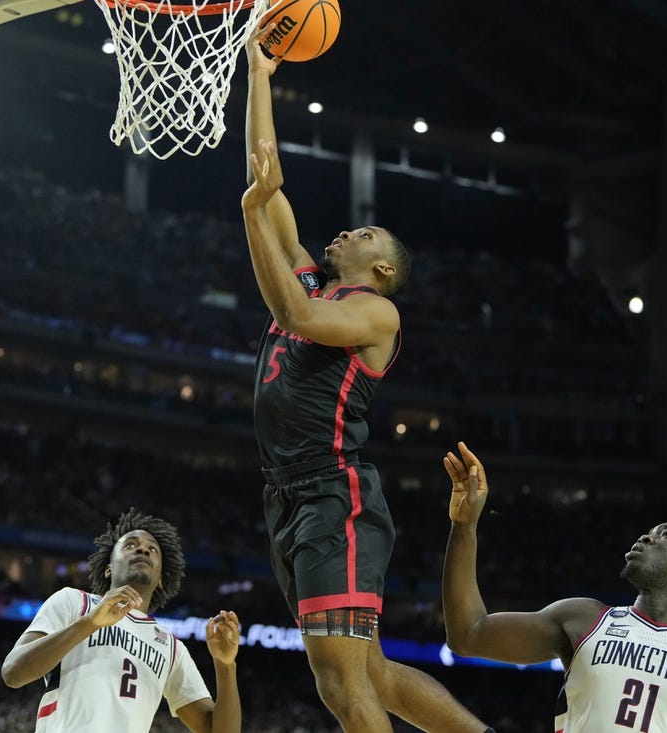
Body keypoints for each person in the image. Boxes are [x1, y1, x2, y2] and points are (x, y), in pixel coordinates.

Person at [240, 27, 493, 733]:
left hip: (331, 491)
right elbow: (266, 176)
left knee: (341, 680)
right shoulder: (316, 280)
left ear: (382, 268)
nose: (348, 233)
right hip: (286, 494)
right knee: (369, 674)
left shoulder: (374, 313)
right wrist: (260, 76)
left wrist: (250, 212)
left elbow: (288, 307)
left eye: (366, 234)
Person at [441, 442, 667, 733]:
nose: (646, 539)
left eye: (664, 535)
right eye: (647, 533)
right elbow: (468, 635)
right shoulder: (582, 618)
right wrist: (464, 527)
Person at [0, 507, 242, 733]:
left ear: (160, 579)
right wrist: (89, 623)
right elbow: (13, 673)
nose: (143, 550)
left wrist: (225, 665)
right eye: (131, 545)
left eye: (152, 549)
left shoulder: (171, 648)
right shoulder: (74, 602)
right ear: (108, 568)